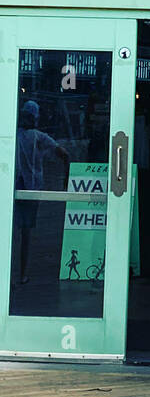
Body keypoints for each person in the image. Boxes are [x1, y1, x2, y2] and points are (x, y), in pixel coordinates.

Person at [14, 100, 69, 285]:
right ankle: (21, 273)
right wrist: (66, 179)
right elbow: (64, 154)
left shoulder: (14, 136)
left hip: (15, 187)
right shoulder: (39, 137)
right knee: (26, 234)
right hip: (31, 189)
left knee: (12, 231)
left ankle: (13, 272)